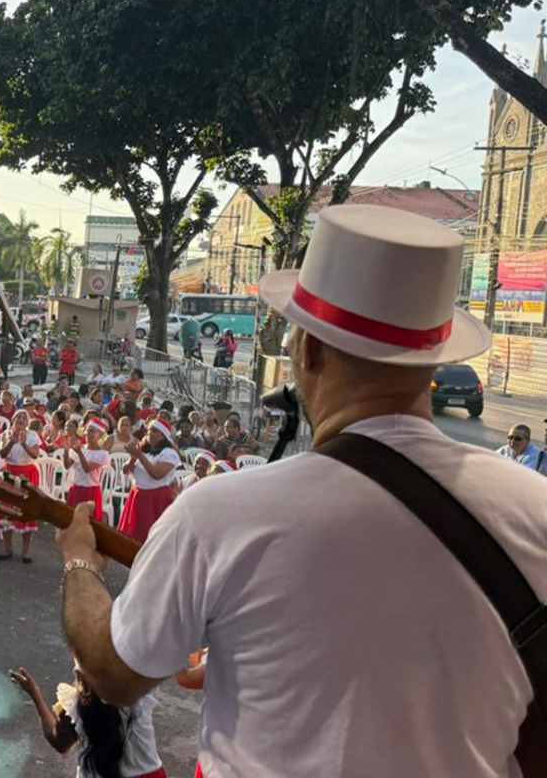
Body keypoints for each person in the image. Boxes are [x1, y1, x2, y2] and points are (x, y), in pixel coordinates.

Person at [54, 205, 547, 776]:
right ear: (432, 363)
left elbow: (112, 675)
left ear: (308, 351)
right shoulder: (534, 507)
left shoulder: (221, 513)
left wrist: (80, 563)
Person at [10, 663, 164, 778]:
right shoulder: (137, 693)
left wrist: (35, 694)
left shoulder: (77, 706)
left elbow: (59, 742)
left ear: (79, 674)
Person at [118, 420, 180, 542]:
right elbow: (125, 470)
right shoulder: (143, 449)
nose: (149, 433)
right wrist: (134, 457)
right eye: (149, 430)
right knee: (133, 536)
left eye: (154, 430)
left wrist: (140, 456)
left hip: (156, 499)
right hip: (137, 496)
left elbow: (157, 474)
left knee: (151, 537)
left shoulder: (169, 453)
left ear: (163, 435)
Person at [0, 410, 41, 563]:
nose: (21, 419)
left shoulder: (32, 435)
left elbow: (35, 455)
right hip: (9, 472)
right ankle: (7, 548)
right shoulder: (6, 434)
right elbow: (2, 454)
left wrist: (23, 443)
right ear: (13, 419)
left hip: (27, 474)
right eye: (18, 417)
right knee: (6, 510)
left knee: (26, 512)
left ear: (27, 422)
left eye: (24, 418)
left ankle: (26, 551)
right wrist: (11, 442)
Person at [63, 419, 111, 513]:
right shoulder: (79, 448)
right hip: (76, 489)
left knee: (88, 520)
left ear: (99, 435)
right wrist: (66, 450)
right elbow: (67, 465)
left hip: (91, 492)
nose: (88, 433)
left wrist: (80, 453)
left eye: (92, 431)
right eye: (87, 431)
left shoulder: (102, 454)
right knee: (72, 518)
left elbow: (87, 469)